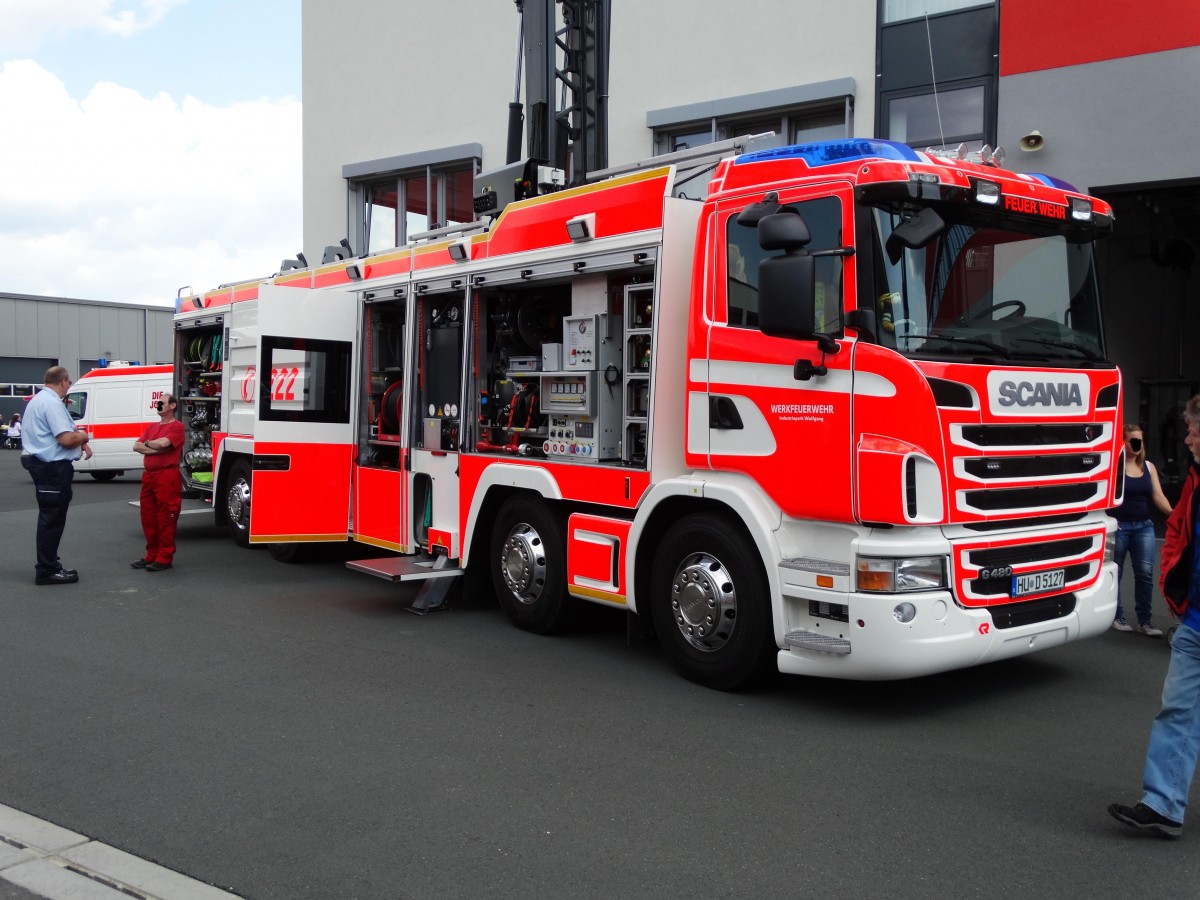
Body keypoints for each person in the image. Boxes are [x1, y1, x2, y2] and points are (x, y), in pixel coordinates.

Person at [1109, 395, 1200, 837]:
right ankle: (1163, 804)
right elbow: (1181, 532)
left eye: (1193, 431)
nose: (1186, 437)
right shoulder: (1197, 481)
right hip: (1195, 625)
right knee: (1176, 712)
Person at [20, 367, 91, 585]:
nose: (68, 387)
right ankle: (46, 570)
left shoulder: (41, 400)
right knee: (52, 519)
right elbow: (66, 439)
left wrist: (81, 443)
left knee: (51, 517)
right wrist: (84, 435)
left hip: (45, 464)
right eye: (69, 383)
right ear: (62, 381)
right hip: (51, 467)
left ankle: (50, 564)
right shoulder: (51, 404)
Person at [1111, 423, 1173, 634]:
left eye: (1140, 440)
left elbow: (1158, 495)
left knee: (1145, 573)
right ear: (1123, 442)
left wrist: (1175, 514)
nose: (1137, 444)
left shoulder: (1148, 467)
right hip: (1119, 527)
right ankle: (1117, 616)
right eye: (1132, 440)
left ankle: (1145, 621)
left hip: (1143, 527)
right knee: (1115, 572)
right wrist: (1109, 520)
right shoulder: (1114, 466)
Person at [131, 394, 184, 572]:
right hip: (150, 476)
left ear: (173, 406)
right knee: (148, 516)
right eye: (157, 402)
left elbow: (164, 443)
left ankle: (164, 557)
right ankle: (151, 555)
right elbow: (136, 446)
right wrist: (153, 448)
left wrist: (149, 446)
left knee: (166, 516)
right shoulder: (152, 427)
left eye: (162, 402)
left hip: (166, 476)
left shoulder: (177, 427)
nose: (158, 405)